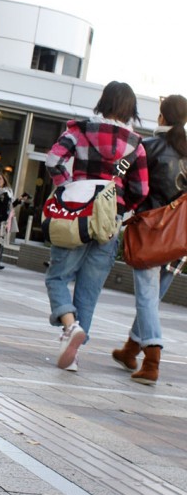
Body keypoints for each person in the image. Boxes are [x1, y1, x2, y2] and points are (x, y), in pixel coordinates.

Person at [44, 81, 148, 372]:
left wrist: (68, 186)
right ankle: (73, 354)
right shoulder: (135, 145)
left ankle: (69, 326)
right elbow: (141, 189)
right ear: (130, 108)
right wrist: (118, 210)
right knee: (89, 290)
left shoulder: (79, 131)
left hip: (75, 214)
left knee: (57, 278)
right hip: (108, 222)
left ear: (104, 101)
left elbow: (53, 160)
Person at [112, 94, 187, 385]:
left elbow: (125, 178)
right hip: (180, 237)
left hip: (152, 233)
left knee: (146, 298)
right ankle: (130, 349)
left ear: (162, 117)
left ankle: (152, 360)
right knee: (151, 300)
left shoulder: (147, 146)